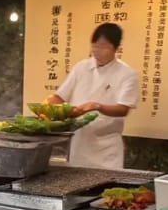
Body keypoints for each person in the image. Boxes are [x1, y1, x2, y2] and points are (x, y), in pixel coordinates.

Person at [46, 23, 139, 170]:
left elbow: (123, 109)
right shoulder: (81, 67)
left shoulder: (127, 74)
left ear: (116, 48)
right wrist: (48, 106)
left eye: (103, 47)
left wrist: (98, 106)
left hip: (106, 149)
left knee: (106, 190)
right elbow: (60, 96)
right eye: (94, 45)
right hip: (79, 144)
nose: (97, 51)